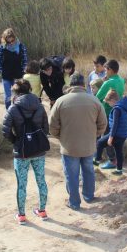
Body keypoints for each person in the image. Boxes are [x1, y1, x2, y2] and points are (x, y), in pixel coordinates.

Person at [49, 74, 107, 210]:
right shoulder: (94, 101)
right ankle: (89, 196)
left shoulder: (60, 101)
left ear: (71, 85)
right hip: (88, 145)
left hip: (69, 146)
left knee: (71, 175)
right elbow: (102, 124)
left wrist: (61, 137)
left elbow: (52, 126)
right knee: (88, 171)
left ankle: (74, 203)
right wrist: (93, 136)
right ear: (84, 85)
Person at [1, 79, 49, 224]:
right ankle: (42, 211)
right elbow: (46, 128)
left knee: (22, 184)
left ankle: (21, 215)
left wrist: (16, 140)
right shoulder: (39, 106)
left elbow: (5, 130)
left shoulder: (13, 108)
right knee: (41, 180)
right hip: (38, 151)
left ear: (16, 92)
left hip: (21, 152)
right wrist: (38, 139)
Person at [94, 59, 126, 168]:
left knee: (107, 137)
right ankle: (115, 158)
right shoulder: (121, 80)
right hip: (118, 110)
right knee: (113, 135)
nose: (105, 71)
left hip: (107, 112)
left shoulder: (108, 82)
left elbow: (97, 98)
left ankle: (112, 160)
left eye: (106, 69)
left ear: (111, 70)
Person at [93, 90, 127, 175]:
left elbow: (115, 124)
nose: (108, 104)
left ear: (113, 100)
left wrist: (111, 137)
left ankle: (97, 161)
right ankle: (119, 170)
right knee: (119, 151)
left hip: (116, 134)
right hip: (123, 134)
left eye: (108, 102)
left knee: (99, 143)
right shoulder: (124, 106)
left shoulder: (116, 109)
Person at [0, 28, 29, 109]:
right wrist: (0, 70)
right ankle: (9, 112)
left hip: (18, 75)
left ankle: (18, 112)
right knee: (8, 96)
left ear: (14, 37)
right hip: (6, 74)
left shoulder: (21, 46)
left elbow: (25, 59)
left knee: (18, 95)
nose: (10, 41)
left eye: (12, 39)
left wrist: (24, 70)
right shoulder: (2, 47)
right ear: (5, 39)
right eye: (8, 40)